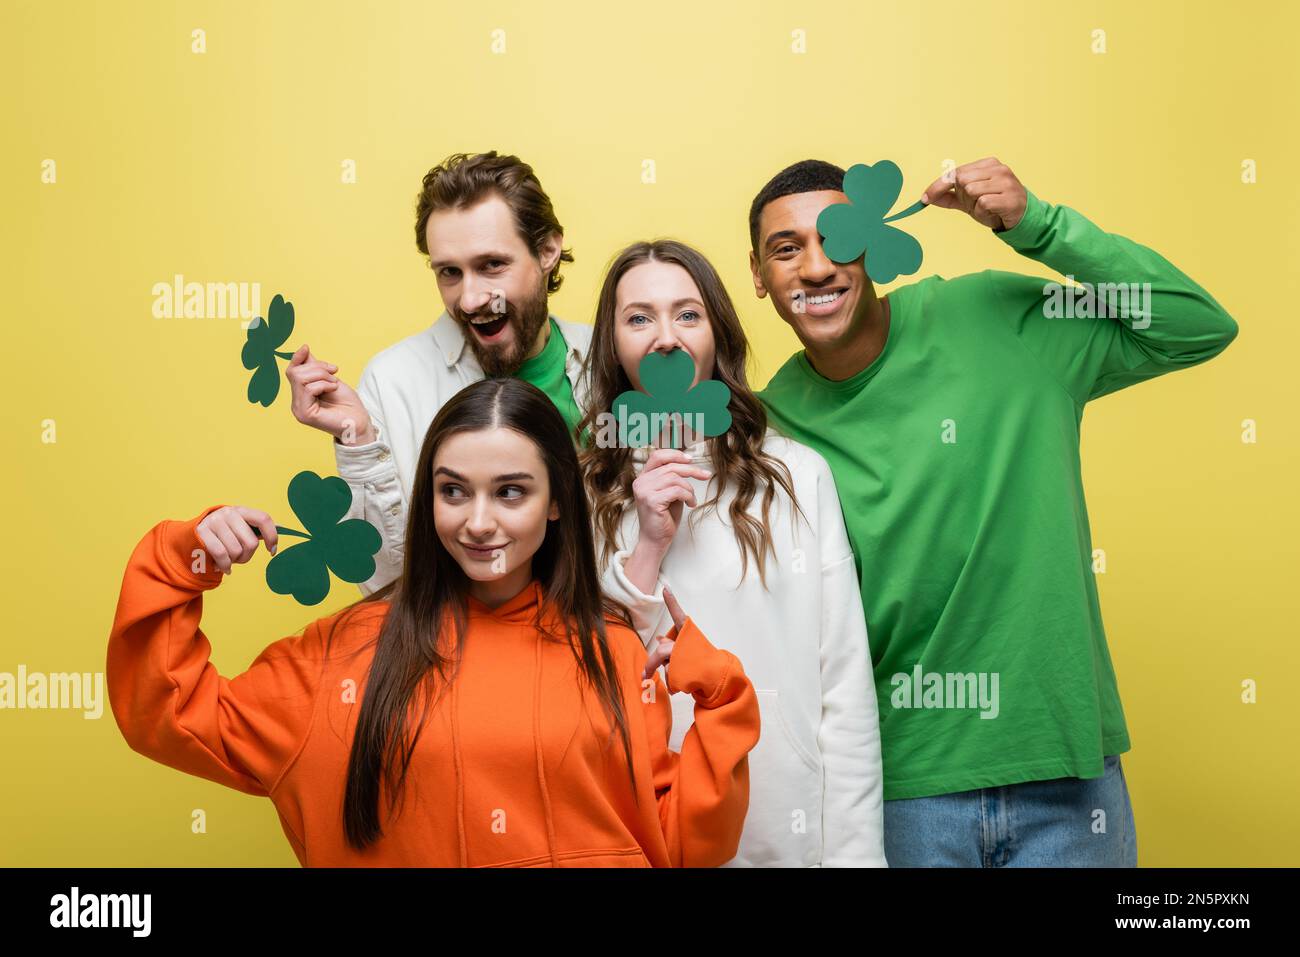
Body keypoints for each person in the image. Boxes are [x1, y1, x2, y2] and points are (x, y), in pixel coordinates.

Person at [748, 156, 1238, 867]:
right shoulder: (769, 428)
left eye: (839, 237)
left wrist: (1036, 225)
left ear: (877, 241)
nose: (816, 266)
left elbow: (1195, 325)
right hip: (901, 791)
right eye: (786, 248)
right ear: (759, 277)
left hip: (1067, 781)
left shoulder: (995, 319)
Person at [106, 378, 760, 867]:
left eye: (510, 491)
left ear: (558, 503)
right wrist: (186, 557)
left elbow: (681, 841)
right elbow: (167, 712)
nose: (478, 522)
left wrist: (719, 694)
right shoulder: (343, 653)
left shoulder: (611, 650)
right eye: (453, 490)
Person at [578, 239, 885, 867]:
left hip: (783, 830)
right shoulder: (579, 489)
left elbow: (844, 682)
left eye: (687, 314)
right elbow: (577, 674)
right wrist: (646, 542)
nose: (666, 337)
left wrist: (857, 859)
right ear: (612, 343)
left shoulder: (796, 475)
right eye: (639, 318)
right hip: (642, 831)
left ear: (718, 332)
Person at [284, 151, 593, 594]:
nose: (469, 299)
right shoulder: (394, 382)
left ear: (547, 251)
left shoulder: (610, 362)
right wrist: (360, 444)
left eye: (491, 265)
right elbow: (382, 583)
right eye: (450, 272)